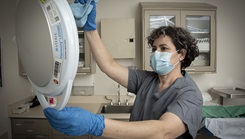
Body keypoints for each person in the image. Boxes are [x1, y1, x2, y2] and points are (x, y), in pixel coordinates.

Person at [44, 0, 203, 138]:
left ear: (181, 54)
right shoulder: (147, 80)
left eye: (163, 48)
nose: (156, 53)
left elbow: (163, 132)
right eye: (154, 49)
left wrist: (96, 124)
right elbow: (109, 65)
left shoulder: (190, 94)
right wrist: (90, 30)